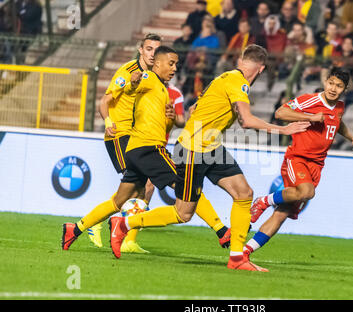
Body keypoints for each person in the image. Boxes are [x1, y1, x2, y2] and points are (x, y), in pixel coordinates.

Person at [107, 44, 311, 272]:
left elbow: (197, 106)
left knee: (244, 193)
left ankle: (237, 259)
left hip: (210, 146)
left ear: (241, 61)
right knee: (183, 213)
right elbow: (246, 120)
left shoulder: (223, 77)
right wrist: (284, 130)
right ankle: (124, 222)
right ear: (261, 69)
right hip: (193, 149)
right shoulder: (239, 82)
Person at [62, 46, 233, 254]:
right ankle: (221, 229)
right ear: (157, 63)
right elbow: (134, 84)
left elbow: (162, 123)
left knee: (118, 201)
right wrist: (134, 80)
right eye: (171, 63)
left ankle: (75, 229)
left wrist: (170, 119)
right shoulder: (150, 79)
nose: (174, 68)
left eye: (176, 64)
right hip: (149, 148)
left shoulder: (162, 91)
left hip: (135, 150)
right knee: (186, 184)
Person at [246, 68, 353, 258]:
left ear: (344, 89)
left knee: (282, 214)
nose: (333, 88)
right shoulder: (311, 100)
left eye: (339, 86)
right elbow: (280, 112)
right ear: (326, 82)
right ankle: (264, 200)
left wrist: (352, 139)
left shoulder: (340, 107)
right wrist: (310, 117)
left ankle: (245, 252)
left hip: (317, 165)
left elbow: (337, 122)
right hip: (298, 158)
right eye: (331, 83)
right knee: (308, 192)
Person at [86, 34, 162, 253]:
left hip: (138, 136)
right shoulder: (126, 72)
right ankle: (100, 223)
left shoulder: (153, 77)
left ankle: (126, 238)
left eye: (156, 50)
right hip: (119, 136)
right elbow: (104, 102)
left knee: (142, 186)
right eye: (149, 49)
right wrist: (109, 123)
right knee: (136, 186)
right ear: (140, 50)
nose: (152, 54)